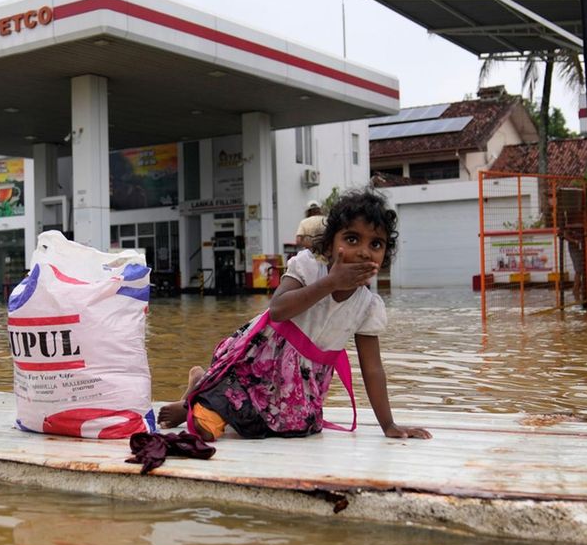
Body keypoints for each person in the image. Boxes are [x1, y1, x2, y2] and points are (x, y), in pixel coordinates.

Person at [158, 189, 430, 441]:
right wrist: (330, 283)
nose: (363, 251)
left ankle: (199, 392)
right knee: (206, 430)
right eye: (351, 238)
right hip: (261, 360)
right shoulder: (309, 267)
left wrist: (388, 425)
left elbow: (373, 369)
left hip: (301, 382)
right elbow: (278, 309)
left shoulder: (368, 306)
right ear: (329, 245)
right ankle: (197, 396)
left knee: (297, 427)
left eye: (376, 244)